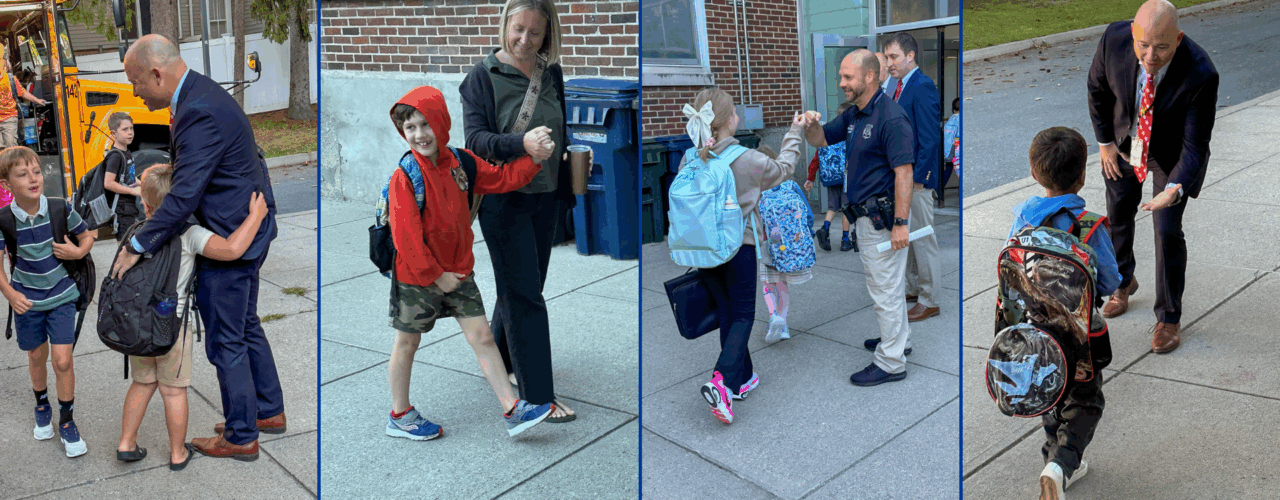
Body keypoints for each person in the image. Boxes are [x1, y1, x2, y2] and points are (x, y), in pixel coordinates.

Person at [115, 34, 283, 461]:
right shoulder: (200, 95)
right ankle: (266, 410)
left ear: (156, 72)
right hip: (247, 228)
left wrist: (138, 240)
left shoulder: (198, 110)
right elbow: (204, 169)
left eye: (136, 80)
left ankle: (242, 434)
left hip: (231, 238)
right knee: (244, 326)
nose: (134, 90)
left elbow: (185, 196)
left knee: (226, 340)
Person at [383, 86, 555, 440]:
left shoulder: (461, 162)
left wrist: (533, 160)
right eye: (410, 128)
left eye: (425, 124)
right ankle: (400, 415)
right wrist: (434, 276)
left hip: (458, 271)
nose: (419, 134)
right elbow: (406, 239)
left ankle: (512, 409)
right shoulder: (405, 177)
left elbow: (501, 179)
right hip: (418, 279)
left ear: (441, 122)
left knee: (482, 337)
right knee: (406, 343)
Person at [460, 0, 581, 423]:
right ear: (504, 25)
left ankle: (499, 355)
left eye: (535, 32)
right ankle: (538, 396)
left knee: (522, 286)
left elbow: (561, 127)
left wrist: (568, 179)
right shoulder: (481, 77)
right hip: (503, 200)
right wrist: (520, 144)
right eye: (517, 29)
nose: (524, 40)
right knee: (526, 295)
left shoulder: (552, 73)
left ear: (548, 34)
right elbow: (474, 143)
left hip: (545, 197)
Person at [116, 164, 270, 471]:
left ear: (146, 206)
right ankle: (177, 454)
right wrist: (256, 216)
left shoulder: (135, 235)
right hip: (171, 326)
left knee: (142, 383)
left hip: (137, 326)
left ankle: (126, 444)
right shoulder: (189, 234)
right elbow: (231, 249)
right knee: (173, 390)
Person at [1087, 0, 1218, 354]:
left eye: (1161, 47)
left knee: (1167, 230)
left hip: (1170, 154)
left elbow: (1194, 147)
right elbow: (1097, 89)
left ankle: (1169, 317)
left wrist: (1174, 188)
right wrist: (1104, 143)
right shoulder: (1113, 40)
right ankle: (1123, 282)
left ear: (1178, 39)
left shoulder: (1201, 72)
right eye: (1143, 45)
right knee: (1117, 216)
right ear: (1132, 34)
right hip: (1124, 142)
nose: (1150, 55)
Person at [1008, 127, 1120, 500]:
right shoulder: (1088, 225)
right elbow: (1108, 280)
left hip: (1034, 334)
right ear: (1083, 175)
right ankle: (1060, 466)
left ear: (1034, 172)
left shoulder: (1023, 220)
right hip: (1081, 338)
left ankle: (1053, 461)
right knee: (1086, 400)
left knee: (1050, 393)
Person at [682, 87, 802, 423]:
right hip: (739, 247)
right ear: (726, 122)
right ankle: (721, 381)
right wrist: (794, 132)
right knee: (743, 316)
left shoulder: (691, 158)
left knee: (726, 312)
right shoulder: (746, 159)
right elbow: (784, 169)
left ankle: (741, 378)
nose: (738, 116)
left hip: (704, 249)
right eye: (734, 112)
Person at [800, 50, 915, 386]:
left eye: (847, 77)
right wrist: (810, 125)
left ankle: (891, 362)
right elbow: (821, 139)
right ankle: (899, 342)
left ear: (870, 76)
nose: (842, 83)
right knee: (888, 288)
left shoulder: (890, 118)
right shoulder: (855, 115)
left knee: (886, 292)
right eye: (841, 76)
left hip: (882, 220)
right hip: (866, 219)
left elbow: (904, 174)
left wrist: (900, 223)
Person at [0, 146, 95, 458]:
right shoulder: (3, 220)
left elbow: (88, 234)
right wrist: (11, 294)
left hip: (62, 296)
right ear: (6, 184)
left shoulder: (59, 208)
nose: (33, 178)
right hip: (26, 301)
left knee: (63, 361)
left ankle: (66, 419)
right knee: (36, 358)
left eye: (36, 172)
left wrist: (79, 252)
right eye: (22, 174)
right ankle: (42, 403)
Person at [883, 32, 943, 323]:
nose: (889, 63)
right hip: (899, 180)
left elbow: (931, 137)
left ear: (910, 56)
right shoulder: (896, 87)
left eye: (894, 57)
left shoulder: (922, 86)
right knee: (905, 236)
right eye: (886, 57)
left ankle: (930, 299)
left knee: (922, 240)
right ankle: (914, 289)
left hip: (915, 182)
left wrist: (920, 177)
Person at [803, 101, 854, 252]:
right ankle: (845, 240)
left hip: (831, 177)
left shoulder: (827, 135)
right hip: (846, 178)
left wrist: (810, 178)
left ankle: (825, 229)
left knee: (833, 206)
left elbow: (816, 159)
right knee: (846, 208)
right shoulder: (849, 136)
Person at [102, 112, 142, 240]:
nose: (130, 132)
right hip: (121, 209)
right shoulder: (115, 156)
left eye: (131, 128)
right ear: (113, 134)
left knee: (129, 244)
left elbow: (127, 175)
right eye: (125, 129)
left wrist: (143, 184)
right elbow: (108, 183)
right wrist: (132, 191)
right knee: (125, 247)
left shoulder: (126, 153)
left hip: (129, 207)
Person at [0, 46, 45, 148]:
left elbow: (23, 93)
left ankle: (11, 163)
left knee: (10, 146)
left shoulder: (11, 79)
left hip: (9, 118)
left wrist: (36, 100)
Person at [944, 98, 960, 182]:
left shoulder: (951, 119)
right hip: (956, 151)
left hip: (948, 151)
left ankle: (939, 189)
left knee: (948, 169)